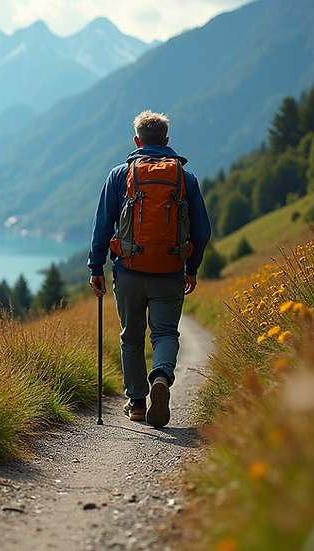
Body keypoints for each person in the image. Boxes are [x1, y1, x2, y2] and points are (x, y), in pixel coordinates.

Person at [87, 110, 211, 427]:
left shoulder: (120, 175)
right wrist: (191, 267)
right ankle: (161, 377)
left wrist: (96, 266)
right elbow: (201, 231)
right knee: (165, 333)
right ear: (166, 141)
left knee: (131, 337)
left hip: (128, 271)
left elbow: (102, 225)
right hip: (169, 270)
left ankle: (138, 403)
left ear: (137, 140)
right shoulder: (186, 178)